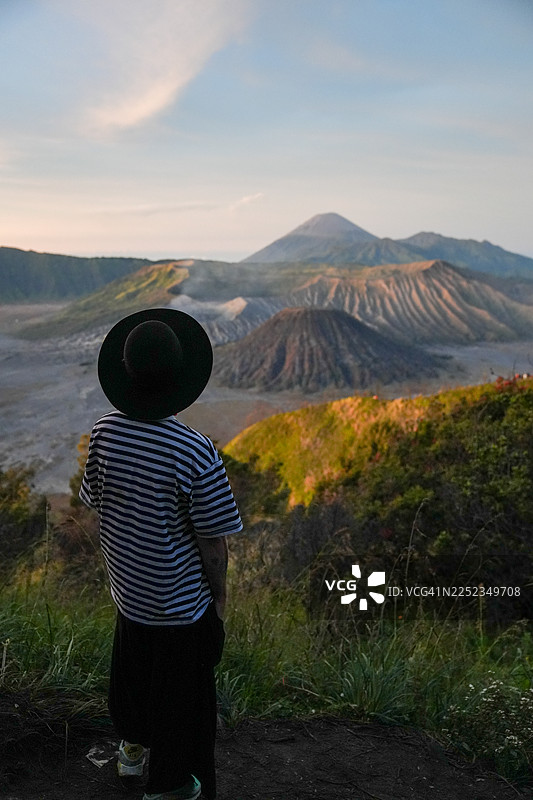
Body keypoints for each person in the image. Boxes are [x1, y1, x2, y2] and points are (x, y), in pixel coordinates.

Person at [79, 308, 243, 800]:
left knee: (132, 677)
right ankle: (168, 786)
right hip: (178, 609)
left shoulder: (105, 432)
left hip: (129, 595)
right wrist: (218, 600)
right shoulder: (194, 450)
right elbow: (214, 544)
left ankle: (130, 756)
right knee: (181, 703)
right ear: (182, 376)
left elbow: (93, 499)